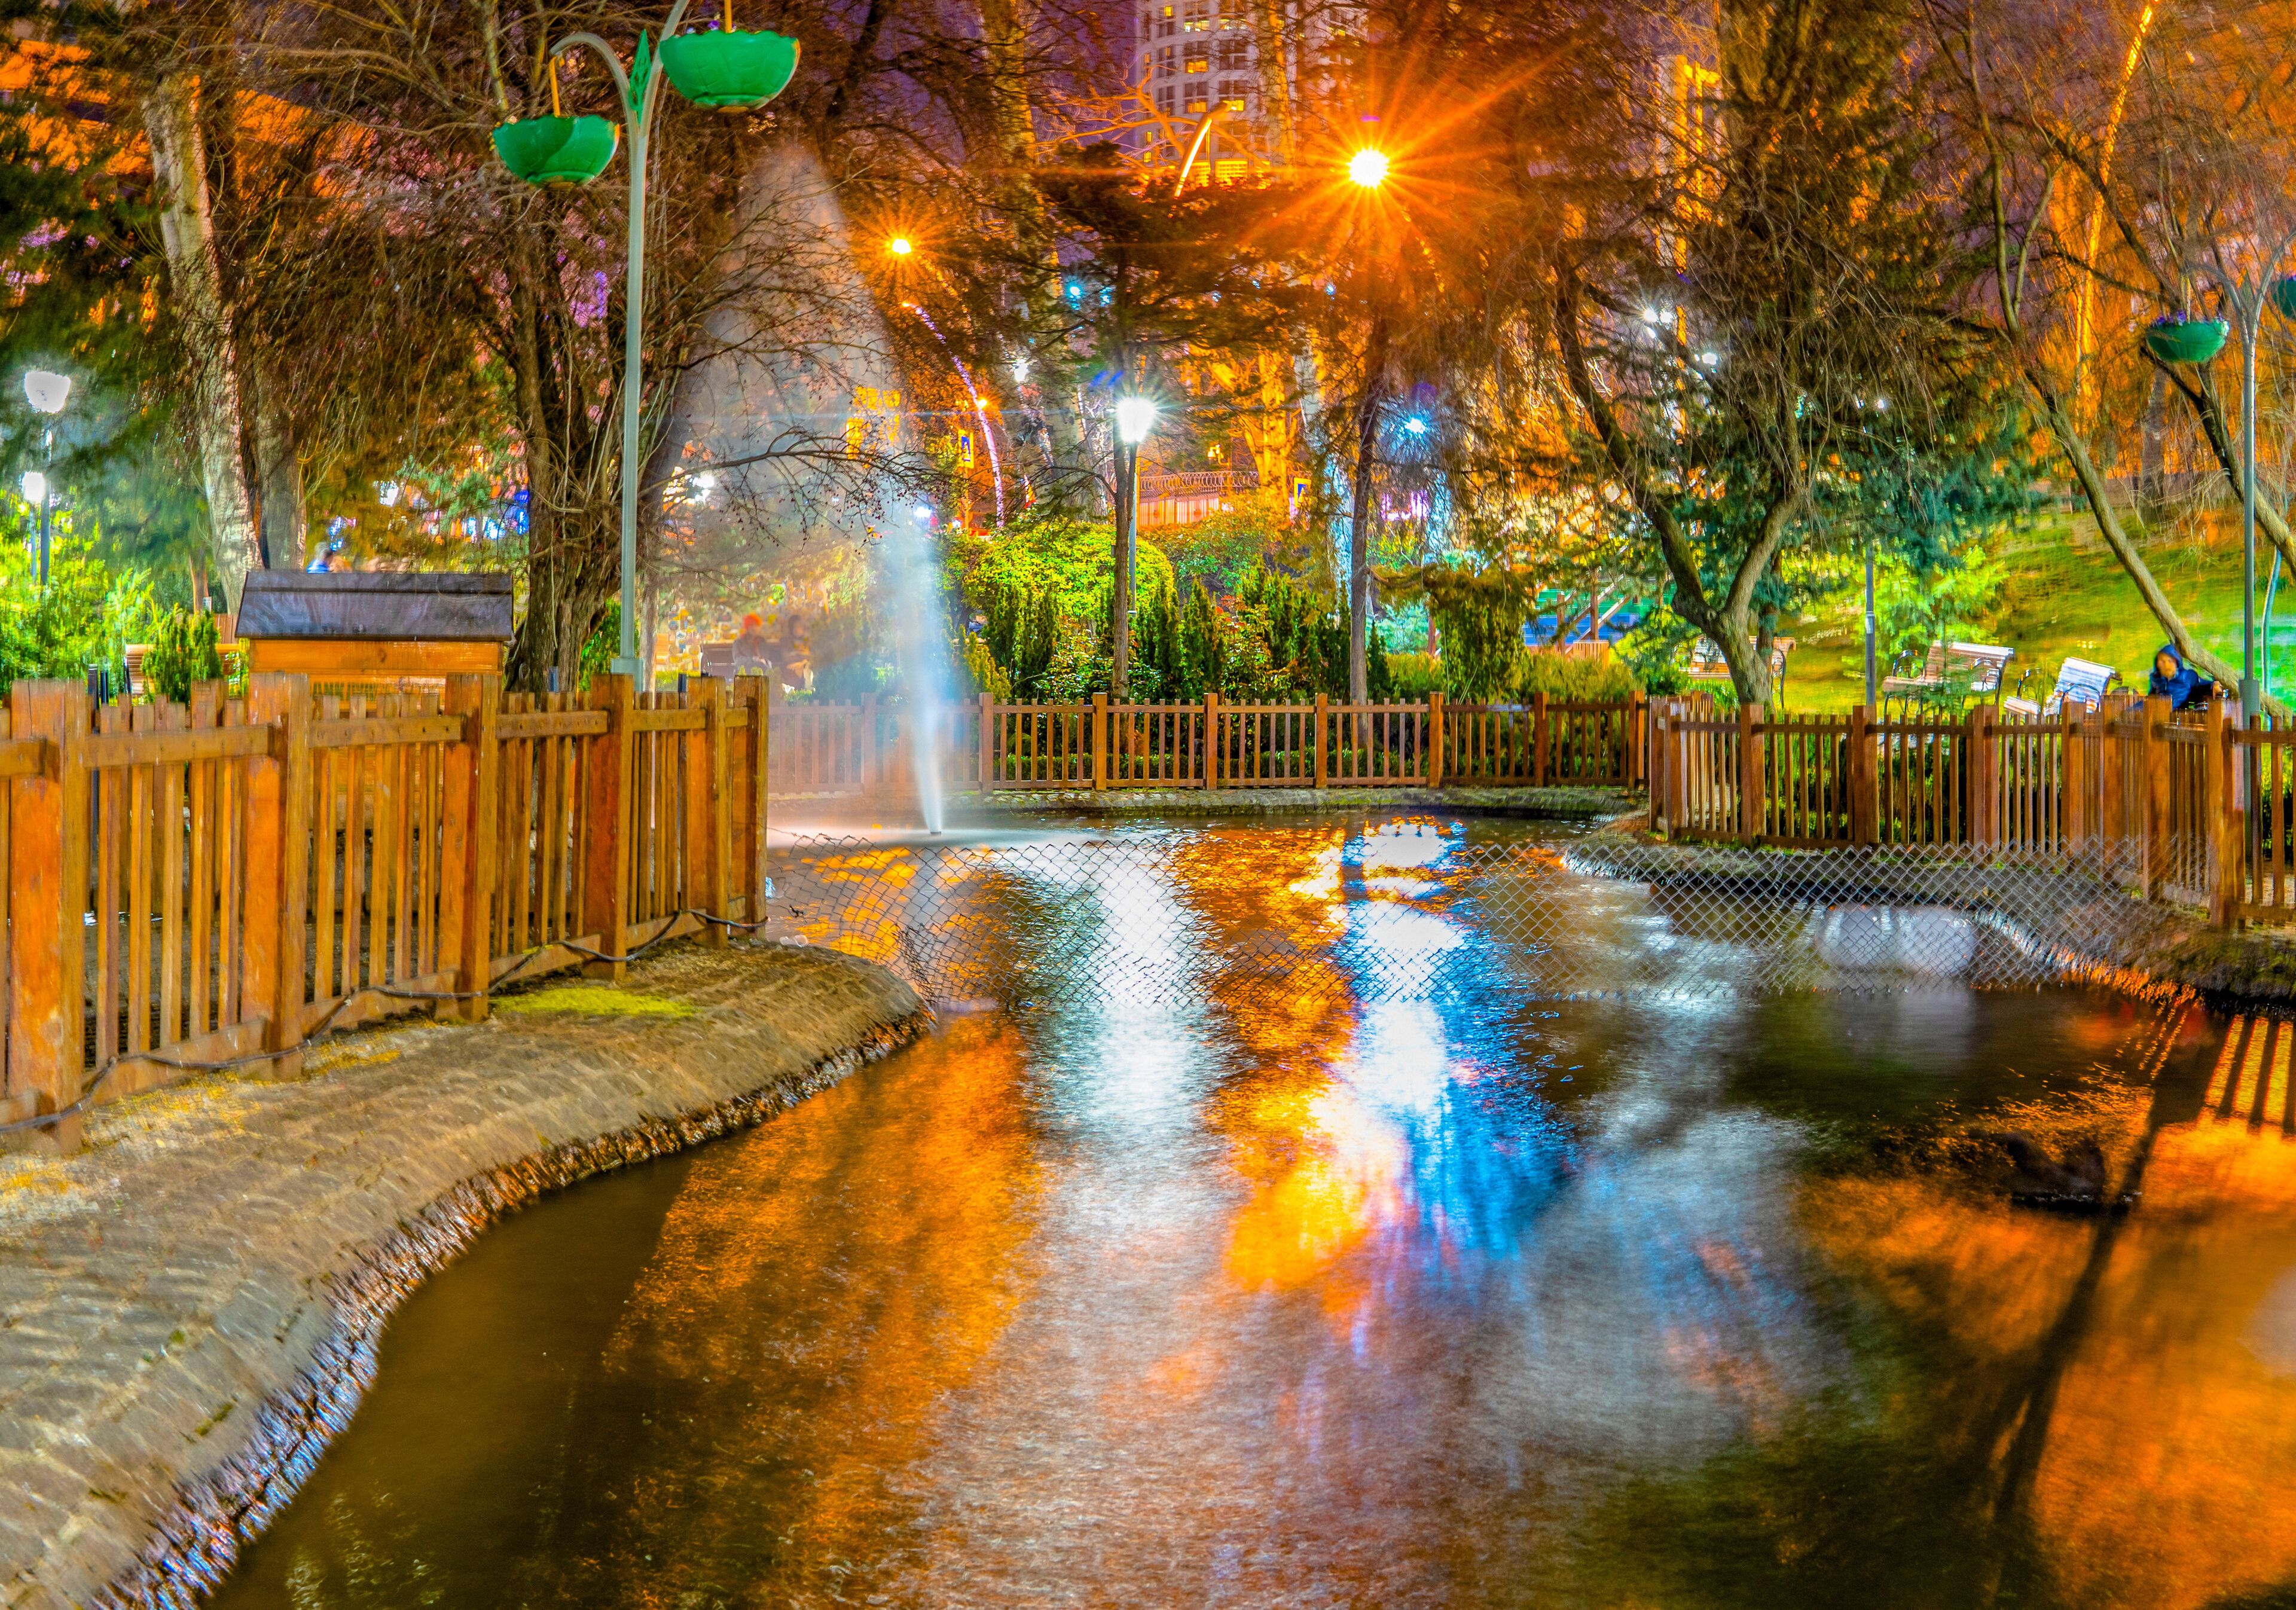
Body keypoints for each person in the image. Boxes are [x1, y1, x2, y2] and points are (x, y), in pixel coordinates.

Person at [2148, 642, 2215, 711]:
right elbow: (2151, 699)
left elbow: (2203, 685)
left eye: (2170, 661)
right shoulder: (2157, 680)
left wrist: (2213, 685)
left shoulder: (2187, 676)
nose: (2167, 665)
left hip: (2182, 715)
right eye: (2162, 662)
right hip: (2160, 714)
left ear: (2177, 662)